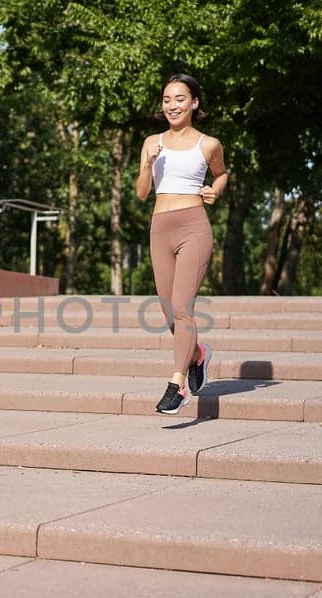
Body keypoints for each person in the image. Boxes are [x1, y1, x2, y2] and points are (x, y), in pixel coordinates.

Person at [135, 74, 228, 414]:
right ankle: (198, 354)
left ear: (194, 103)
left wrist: (214, 190)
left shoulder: (208, 144)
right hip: (160, 228)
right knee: (167, 310)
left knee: (181, 306)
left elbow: (221, 173)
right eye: (166, 99)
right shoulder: (151, 142)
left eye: (179, 99)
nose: (172, 105)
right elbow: (142, 193)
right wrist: (147, 163)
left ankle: (178, 383)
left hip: (193, 227)